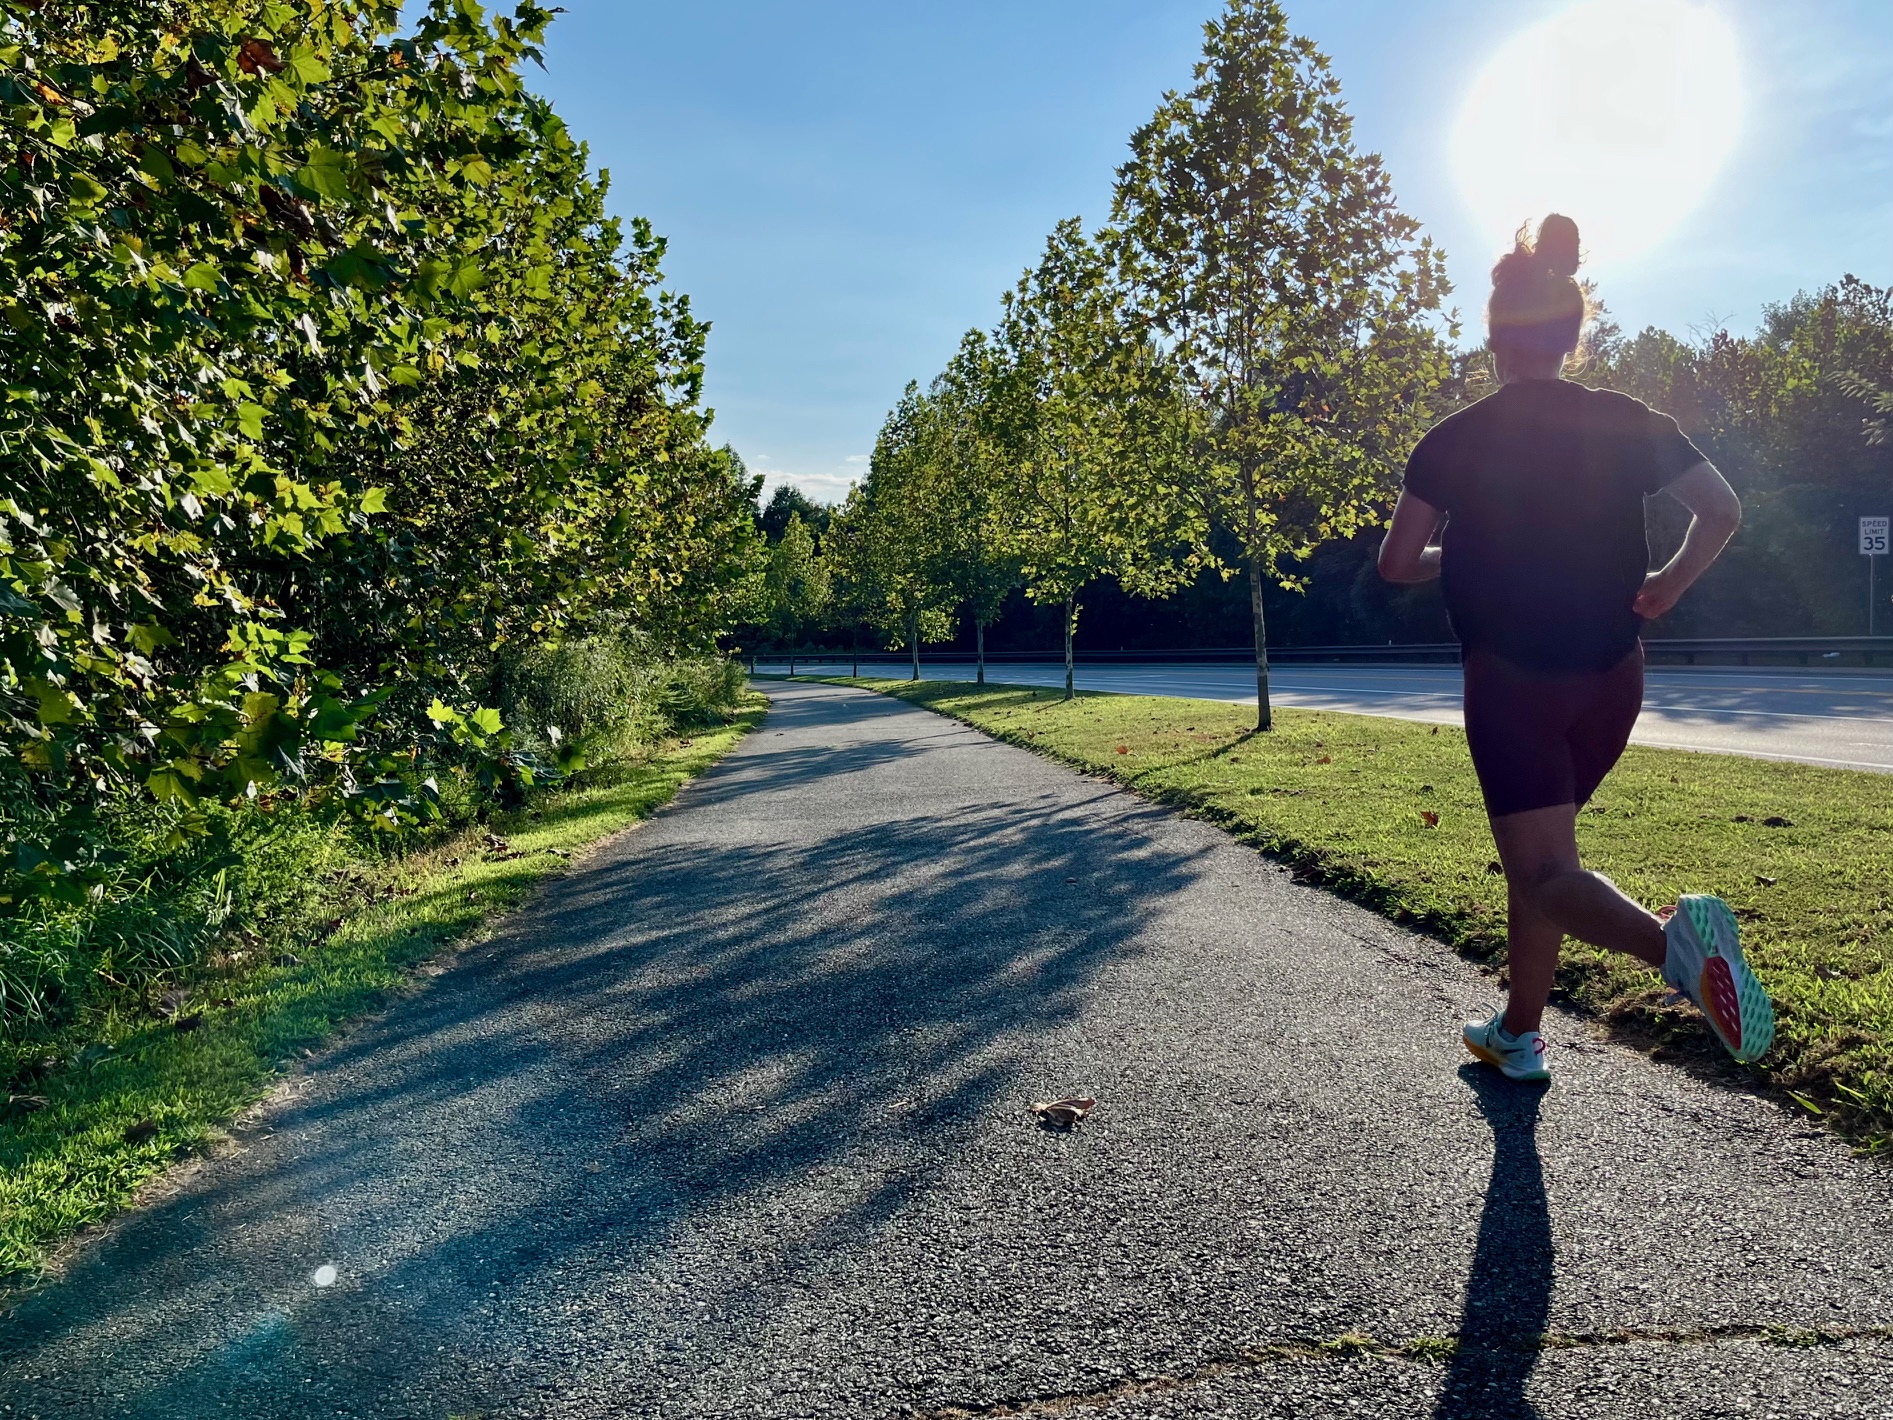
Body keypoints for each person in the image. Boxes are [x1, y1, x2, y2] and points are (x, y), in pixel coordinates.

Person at [1377, 213, 1773, 1084]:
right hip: (1613, 678)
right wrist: (1668, 582)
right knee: (1545, 860)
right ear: (1570, 334)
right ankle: (1517, 1032)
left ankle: (1676, 951)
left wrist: (1468, 549)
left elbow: (1398, 562)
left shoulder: (1453, 440)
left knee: (1546, 867)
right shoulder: (1628, 419)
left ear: (1494, 335)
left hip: (1515, 683)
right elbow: (1723, 509)